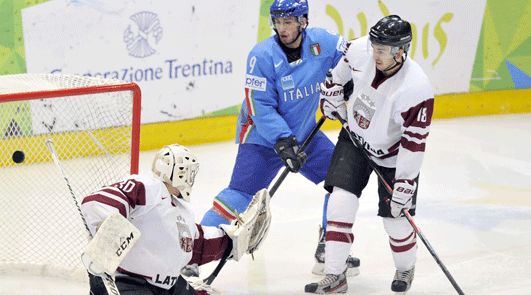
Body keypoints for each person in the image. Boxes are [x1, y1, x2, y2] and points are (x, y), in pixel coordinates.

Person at [196, 0, 359, 279]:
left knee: (342, 180)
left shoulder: (323, 42)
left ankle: (327, 249)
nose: (282, 28)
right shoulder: (261, 55)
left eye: (288, 22)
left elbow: (354, 56)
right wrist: (283, 141)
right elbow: (259, 104)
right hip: (263, 137)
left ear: (302, 21)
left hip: (306, 133)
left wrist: (346, 85)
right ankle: (193, 251)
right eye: (278, 22)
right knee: (240, 195)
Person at [305, 15, 434, 294]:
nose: (374, 53)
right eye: (374, 46)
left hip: (393, 158)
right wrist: (331, 96)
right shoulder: (359, 49)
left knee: (396, 222)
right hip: (354, 139)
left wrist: (405, 183)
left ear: (401, 51)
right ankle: (335, 275)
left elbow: (414, 143)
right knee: (340, 200)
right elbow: (336, 77)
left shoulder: (416, 90)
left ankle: (405, 267)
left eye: (382, 50)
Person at [80, 143, 271, 295]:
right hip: (128, 282)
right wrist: (105, 227)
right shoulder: (150, 188)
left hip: (168, 287)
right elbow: (97, 200)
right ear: (181, 173)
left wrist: (233, 240)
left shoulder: (182, 211)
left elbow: (198, 244)